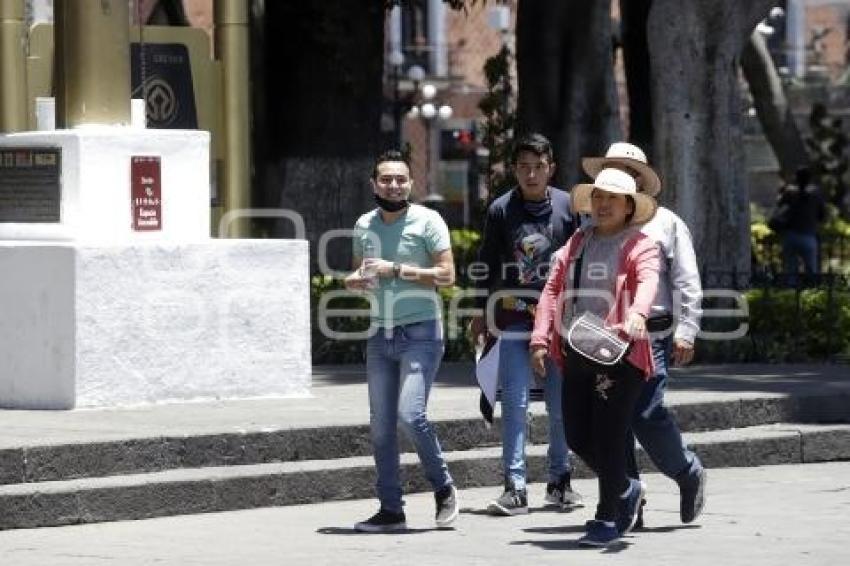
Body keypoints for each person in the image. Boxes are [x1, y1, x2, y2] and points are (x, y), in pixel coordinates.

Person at [530, 167, 660, 547]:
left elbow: (648, 280)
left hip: (621, 354)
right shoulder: (577, 242)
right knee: (575, 435)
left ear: (629, 206)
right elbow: (552, 290)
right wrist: (540, 338)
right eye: (598, 197)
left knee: (608, 435)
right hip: (575, 351)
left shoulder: (641, 244)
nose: (602, 205)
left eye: (612, 198)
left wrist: (637, 313)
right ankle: (626, 487)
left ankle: (607, 517)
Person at [582, 142, 706, 528]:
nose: (620, 178)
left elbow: (687, 280)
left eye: (628, 171)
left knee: (645, 413)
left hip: (651, 335)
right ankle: (626, 501)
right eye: (611, 169)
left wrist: (687, 329)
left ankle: (686, 471)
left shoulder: (666, 222)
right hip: (602, 338)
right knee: (610, 420)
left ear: (640, 179)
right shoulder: (591, 224)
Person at [346, 149, 459, 533]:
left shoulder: (428, 221)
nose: (393, 186)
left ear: (411, 183)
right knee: (380, 427)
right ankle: (391, 509)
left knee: (411, 415)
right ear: (374, 184)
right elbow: (360, 272)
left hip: (422, 332)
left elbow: (447, 276)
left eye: (400, 179)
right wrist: (354, 281)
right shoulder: (364, 225)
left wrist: (396, 269)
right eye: (386, 179)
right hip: (380, 334)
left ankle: (443, 487)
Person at [469, 133, 582, 516]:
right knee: (515, 403)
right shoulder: (501, 209)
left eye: (539, 167)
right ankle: (514, 486)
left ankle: (560, 480)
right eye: (523, 167)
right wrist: (479, 312)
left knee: (560, 404)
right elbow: (484, 262)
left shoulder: (569, 206)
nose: (531, 175)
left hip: (559, 321)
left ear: (551, 167)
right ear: (514, 169)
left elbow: (581, 262)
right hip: (513, 317)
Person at [773, 167, 826, 281]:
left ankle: (790, 293)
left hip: (790, 235)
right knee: (811, 269)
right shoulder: (815, 194)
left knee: (790, 270)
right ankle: (812, 294)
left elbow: (778, 208)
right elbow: (822, 215)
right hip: (808, 235)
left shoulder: (789, 193)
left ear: (796, 178)